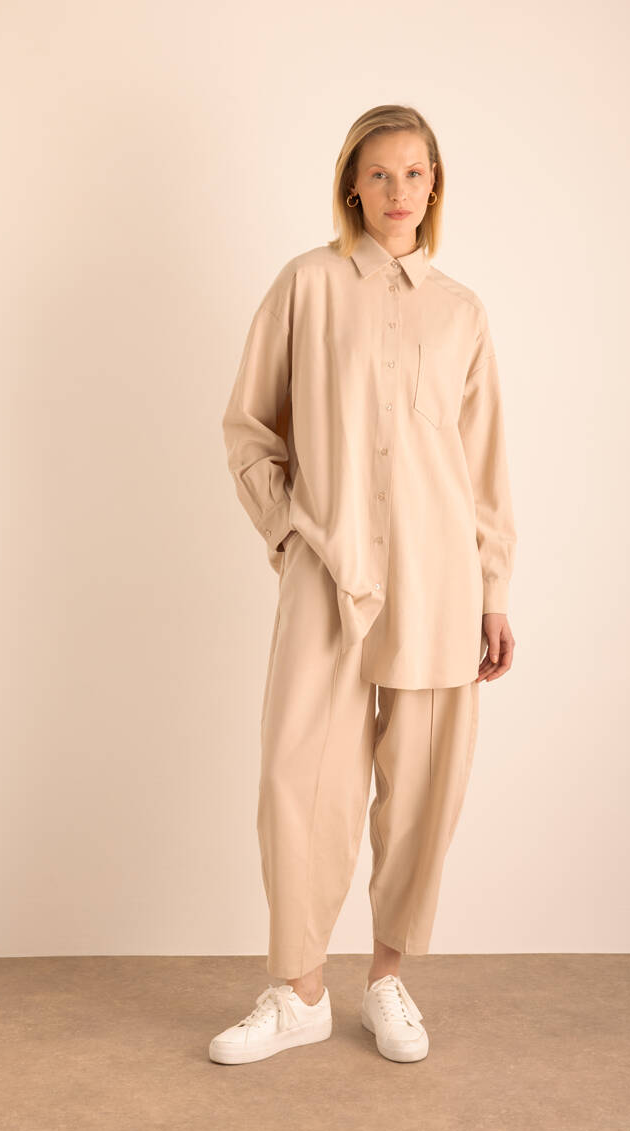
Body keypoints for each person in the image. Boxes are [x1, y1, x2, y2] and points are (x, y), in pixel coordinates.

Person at [210, 104, 517, 1066]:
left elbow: (483, 466)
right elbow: (249, 429)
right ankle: (299, 991)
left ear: (435, 184)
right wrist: (289, 533)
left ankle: (386, 978)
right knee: (297, 775)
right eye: (379, 173)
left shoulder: (462, 311)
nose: (398, 192)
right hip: (329, 568)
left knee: (422, 781)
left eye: (415, 173)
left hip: (438, 577)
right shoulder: (306, 285)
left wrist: (494, 589)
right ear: (352, 182)